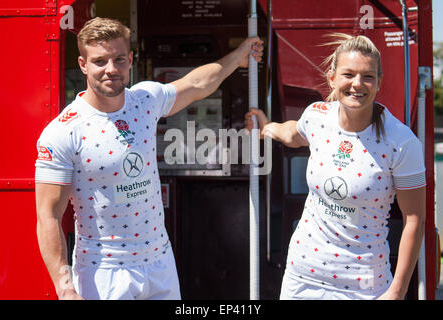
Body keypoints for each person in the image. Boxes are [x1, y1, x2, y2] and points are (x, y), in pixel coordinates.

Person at [35, 17, 263, 300]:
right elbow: (48, 216)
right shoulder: (62, 132)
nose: (111, 69)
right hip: (104, 270)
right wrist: (65, 287)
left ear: (130, 60)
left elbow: (196, 84)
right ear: (83, 64)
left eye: (119, 59)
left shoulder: (144, 100)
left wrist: (238, 56)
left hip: (159, 261)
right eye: (100, 61)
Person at [245, 34, 425, 300]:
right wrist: (267, 128)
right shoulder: (317, 117)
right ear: (332, 78)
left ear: (379, 83)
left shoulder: (401, 142)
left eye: (368, 77)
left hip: (364, 287)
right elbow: (295, 133)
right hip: (302, 278)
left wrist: (397, 292)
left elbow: (415, 219)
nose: (357, 84)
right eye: (348, 74)